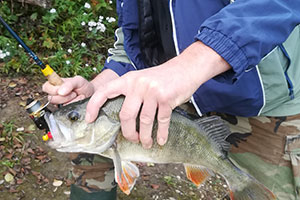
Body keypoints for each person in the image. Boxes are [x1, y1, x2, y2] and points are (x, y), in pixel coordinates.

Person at [43, 0, 300, 199]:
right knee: (90, 147)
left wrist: (189, 67)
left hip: (265, 105)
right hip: (167, 94)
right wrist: (99, 87)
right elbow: (134, 39)